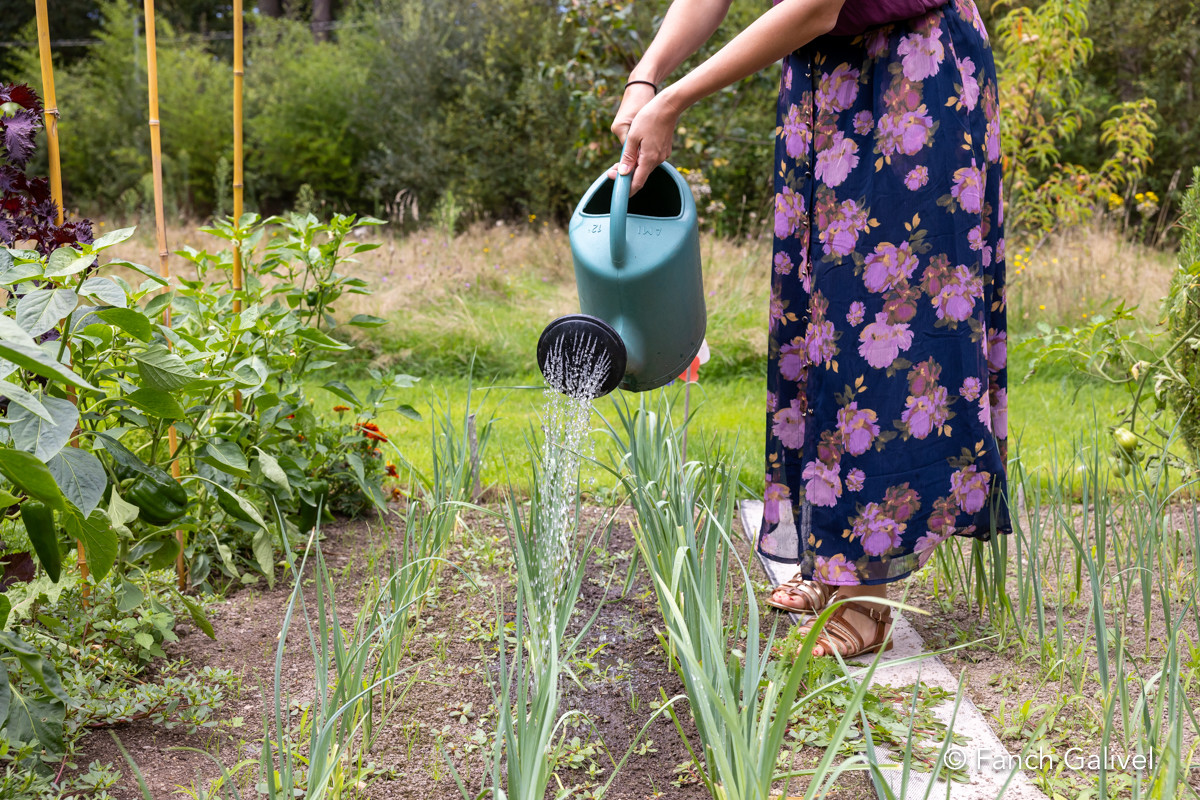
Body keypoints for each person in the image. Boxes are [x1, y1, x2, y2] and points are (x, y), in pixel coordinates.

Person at [609, 0, 1011, 658]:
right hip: (831, 85)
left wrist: (675, 99)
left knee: (886, 326)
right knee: (823, 322)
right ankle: (836, 556)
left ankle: (864, 591)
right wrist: (646, 75)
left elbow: (817, 6)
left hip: (909, 73)